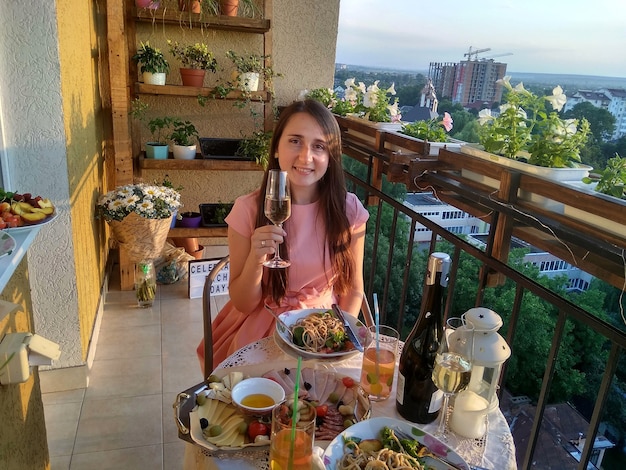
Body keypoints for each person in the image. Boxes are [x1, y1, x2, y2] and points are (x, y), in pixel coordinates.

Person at [196, 99, 369, 373]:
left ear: (331, 156)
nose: (306, 157)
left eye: (319, 146)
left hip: (322, 328)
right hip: (262, 327)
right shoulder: (249, 209)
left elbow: (353, 289)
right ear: (276, 149)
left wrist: (338, 341)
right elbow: (243, 303)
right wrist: (256, 258)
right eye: (295, 141)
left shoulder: (349, 212)